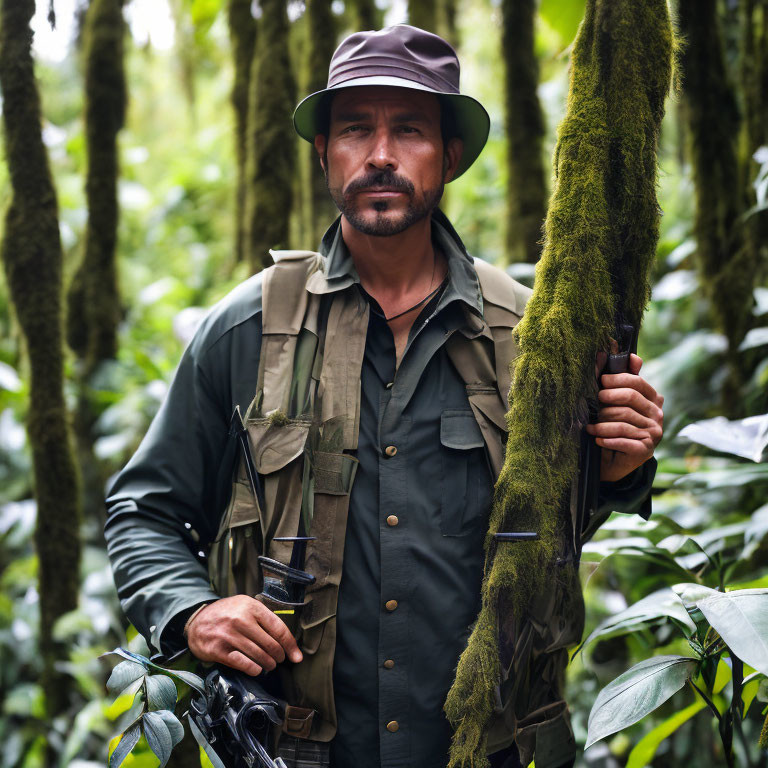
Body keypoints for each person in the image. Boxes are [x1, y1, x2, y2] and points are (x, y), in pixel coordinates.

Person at [105, 24, 664, 768]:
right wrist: (195, 612)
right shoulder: (249, 327)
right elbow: (142, 511)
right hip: (295, 750)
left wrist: (621, 466)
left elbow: (549, 533)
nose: (380, 155)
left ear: (450, 155)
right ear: (322, 151)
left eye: (408, 130)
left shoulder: (532, 332)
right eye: (355, 130)